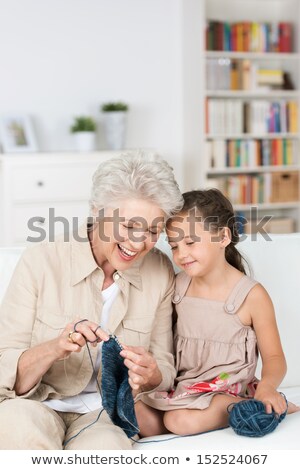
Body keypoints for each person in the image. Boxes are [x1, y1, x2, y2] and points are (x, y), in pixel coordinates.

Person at [0, 150, 183, 450]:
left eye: (152, 231)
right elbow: (4, 368)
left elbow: (164, 367)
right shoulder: (41, 260)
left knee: (107, 452)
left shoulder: (160, 272)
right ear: (97, 211)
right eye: (128, 227)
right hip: (34, 405)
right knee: (18, 434)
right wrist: (55, 348)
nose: (138, 243)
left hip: (105, 413)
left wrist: (151, 374)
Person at [137, 189, 299, 437]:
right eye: (175, 246)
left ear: (223, 237)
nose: (181, 255)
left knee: (179, 422)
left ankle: (255, 404)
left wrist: (267, 387)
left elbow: (275, 357)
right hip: (186, 388)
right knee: (136, 415)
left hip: (226, 389)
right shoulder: (177, 287)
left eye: (190, 243)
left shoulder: (251, 296)